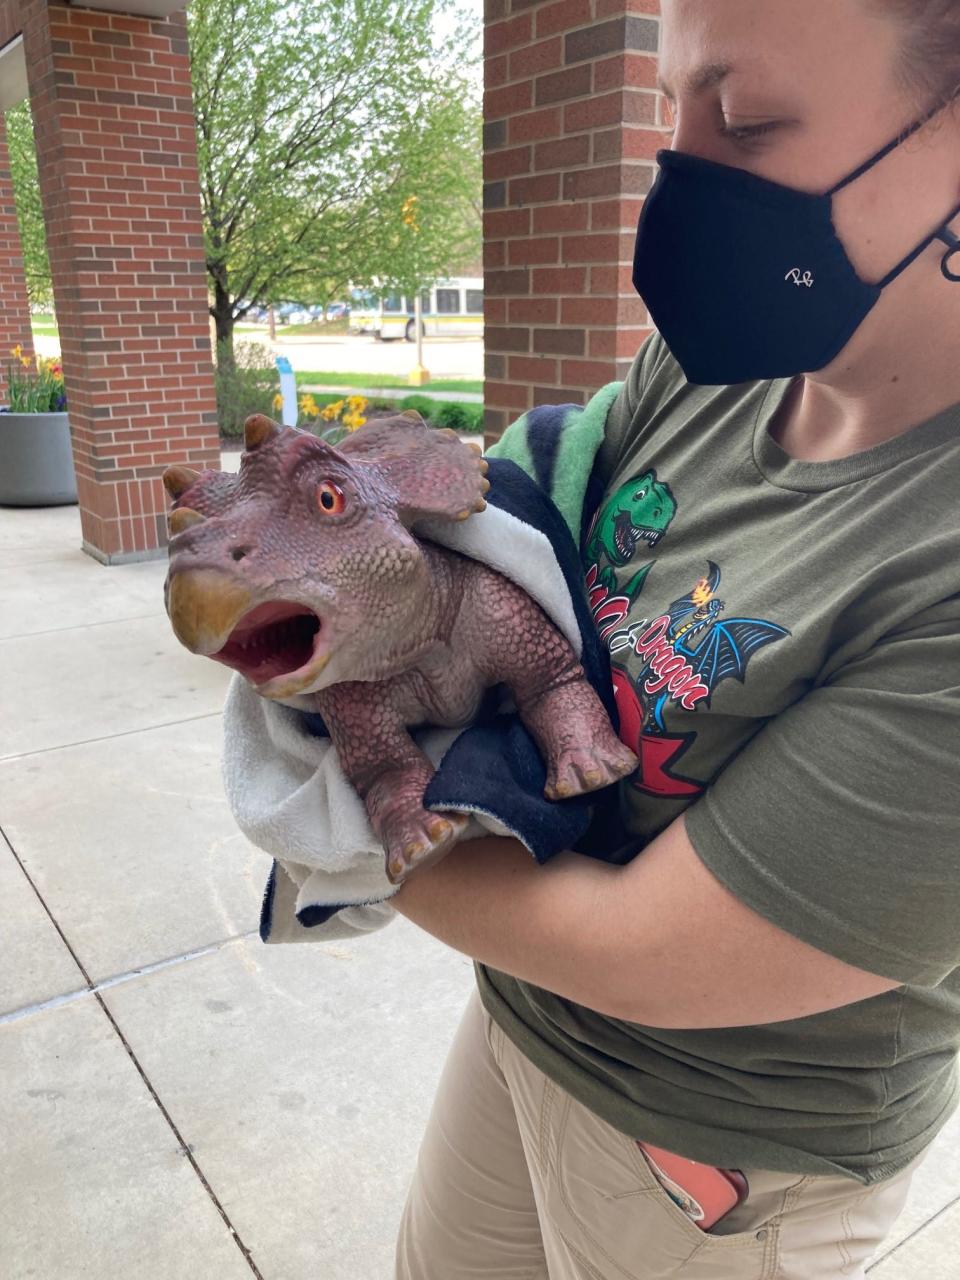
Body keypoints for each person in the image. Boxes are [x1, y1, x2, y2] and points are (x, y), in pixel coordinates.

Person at [391, 1, 960, 1276]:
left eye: (748, 120)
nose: (685, 177)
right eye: (670, 114)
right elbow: (493, 541)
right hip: (525, 1019)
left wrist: (361, 813)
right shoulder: (710, 369)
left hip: (724, 1147)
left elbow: (654, 956)